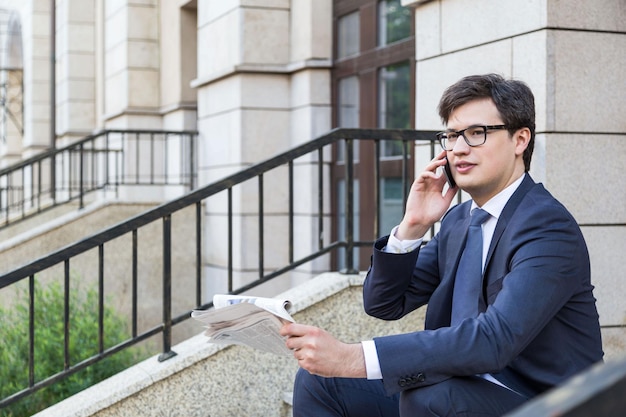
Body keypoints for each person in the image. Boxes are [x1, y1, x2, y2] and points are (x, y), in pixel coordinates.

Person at [280, 73, 604, 416]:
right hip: (463, 387)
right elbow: (383, 303)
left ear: (519, 139)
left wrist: (353, 356)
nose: (459, 148)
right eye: (451, 136)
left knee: (430, 396)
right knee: (319, 381)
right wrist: (413, 226)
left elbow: (493, 340)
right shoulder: (459, 221)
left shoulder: (547, 226)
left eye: (477, 133)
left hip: (547, 402)